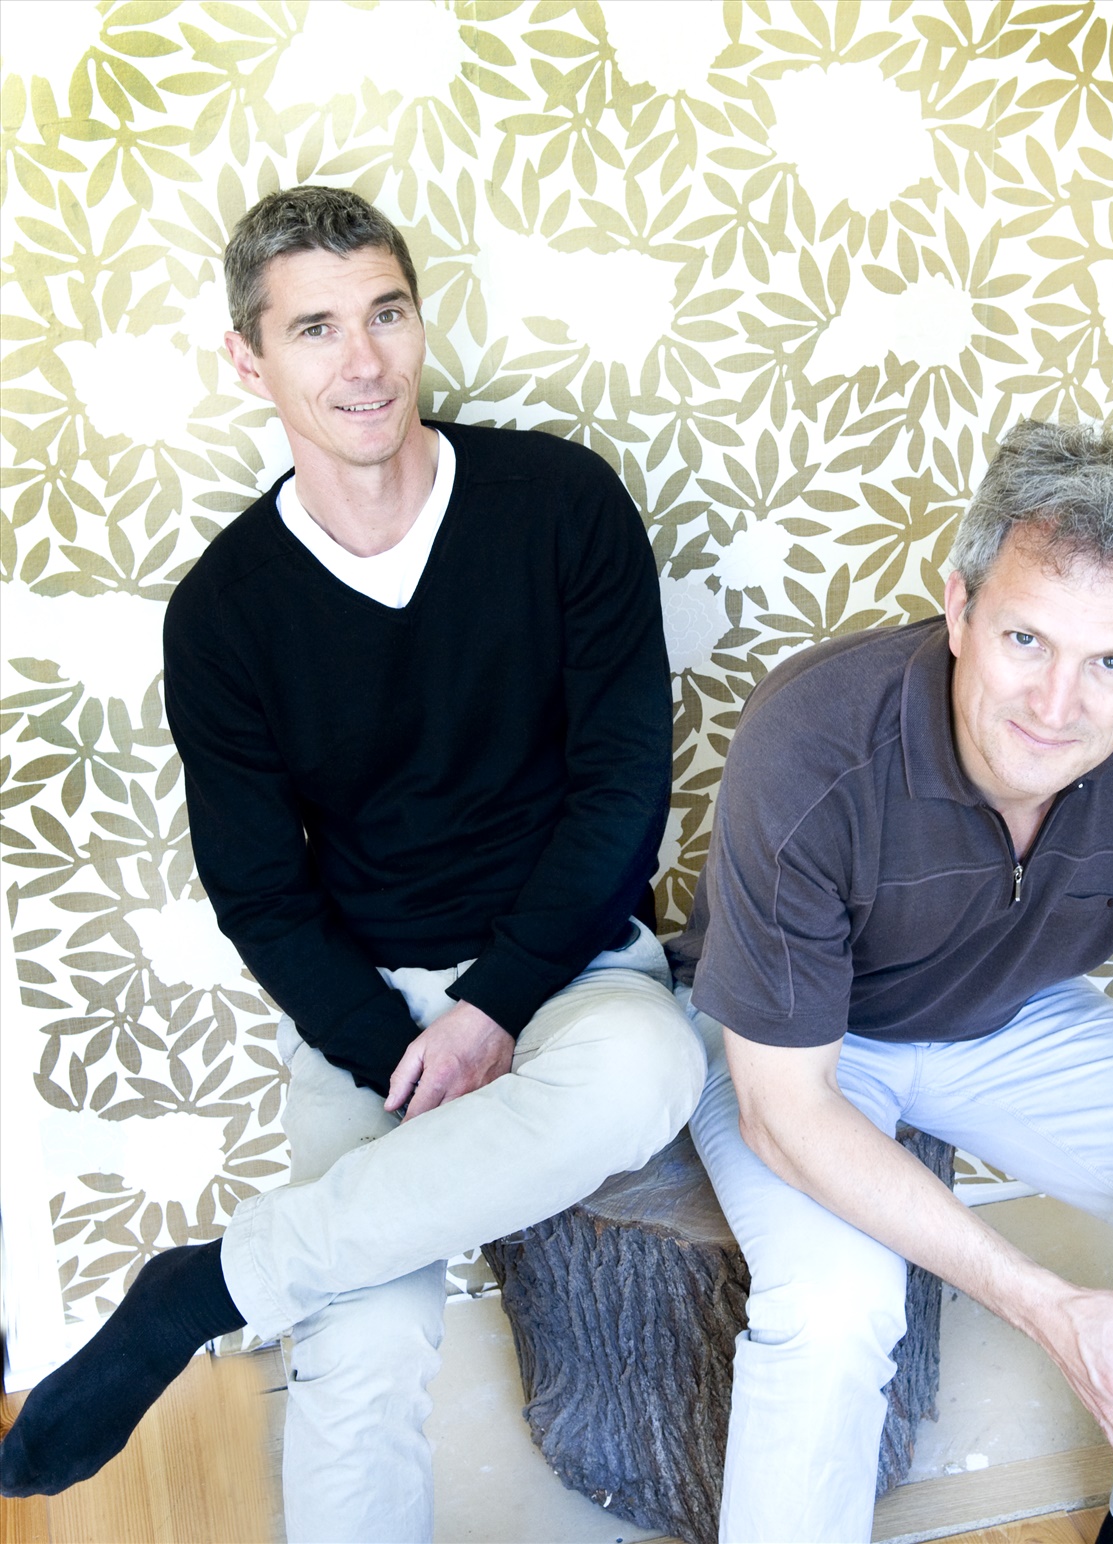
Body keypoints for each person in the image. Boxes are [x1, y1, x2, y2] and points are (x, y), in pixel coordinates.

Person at [0, 185, 705, 1541]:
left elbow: (622, 792)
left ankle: (204, 1289)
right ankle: (257, 1285)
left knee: (653, 1069)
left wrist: (492, 1009)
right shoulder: (224, 612)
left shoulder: (560, 504)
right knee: (360, 1343)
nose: (364, 360)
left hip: (566, 973)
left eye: (386, 313)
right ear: (248, 360)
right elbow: (261, 892)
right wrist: (399, 1053)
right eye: (315, 329)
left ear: (420, 322)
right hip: (367, 1011)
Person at [669, 420, 1113, 1544]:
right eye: (1026, 638)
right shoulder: (812, 735)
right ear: (959, 610)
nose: (1054, 703)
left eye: (1111, 662)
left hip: (1005, 1018)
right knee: (834, 1309)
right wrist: (1051, 1307)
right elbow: (783, 1107)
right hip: (800, 1043)